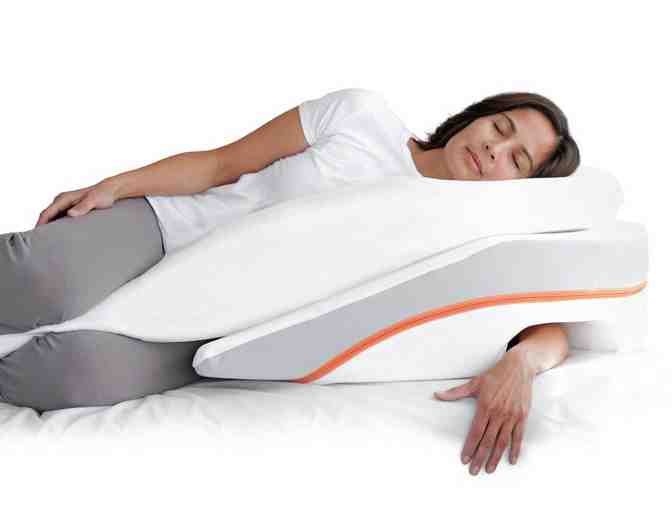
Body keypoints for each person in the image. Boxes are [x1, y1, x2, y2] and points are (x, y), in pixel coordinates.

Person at [0, 88, 580, 460]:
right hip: (171, 230)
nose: (494, 150)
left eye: (517, 160)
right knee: (34, 276)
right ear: (476, 117)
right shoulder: (361, 116)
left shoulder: (465, 236)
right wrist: (113, 186)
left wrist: (522, 362)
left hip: (214, 322)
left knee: (68, 375)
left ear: (522, 190)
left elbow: (553, 319)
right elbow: (223, 163)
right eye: (500, 128)